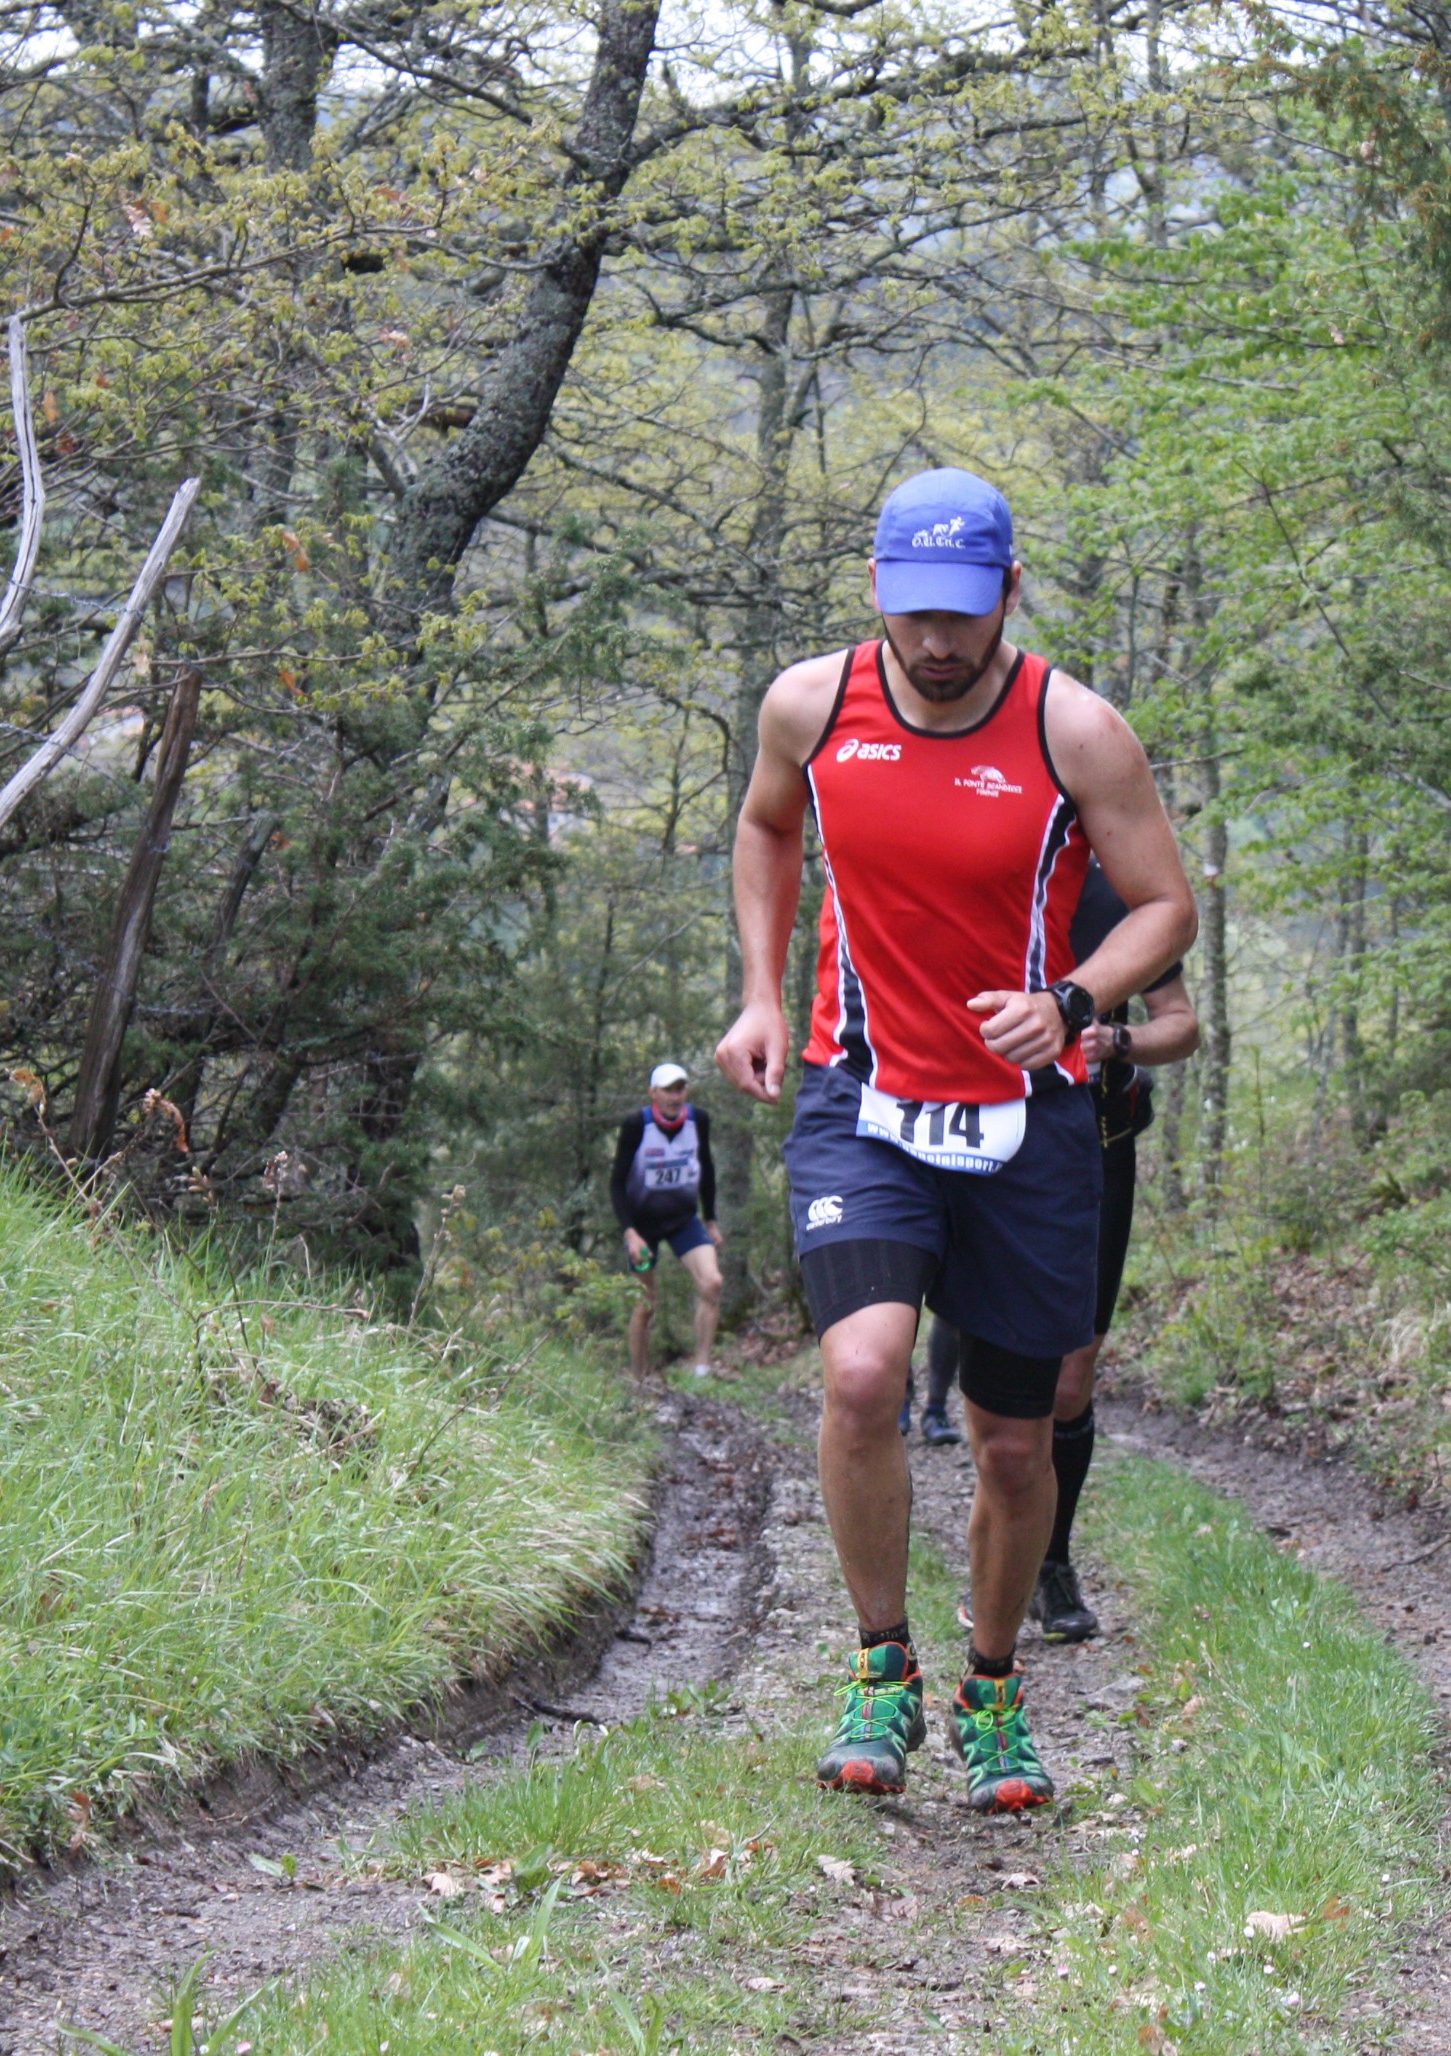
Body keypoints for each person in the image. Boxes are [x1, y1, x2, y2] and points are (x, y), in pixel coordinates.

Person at [715, 467, 1194, 1814]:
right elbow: (764, 828)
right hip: (860, 1095)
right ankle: (881, 1669)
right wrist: (762, 990)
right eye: (916, 613)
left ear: (1008, 598)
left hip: (1027, 1122)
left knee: (1013, 1442)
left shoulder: (1077, 732)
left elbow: (1165, 908)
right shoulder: (810, 705)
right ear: (877, 590)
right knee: (864, 1377)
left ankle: (992, 1687)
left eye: (963, 616)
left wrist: (1073, 1001)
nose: (938, 642)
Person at [917, 858, 1200, 1645]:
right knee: (998, 1386)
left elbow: (1183, 1024)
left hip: (1098, 1148)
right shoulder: (973, 861)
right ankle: (994, 1574)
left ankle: (1050, 1563)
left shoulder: (1118, 892)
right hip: (973, 1141)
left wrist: (1118, 1038)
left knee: (1070, 1381)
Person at [610, 1062, 723, 1383]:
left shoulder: (698, 1120)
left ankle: (701, 1367)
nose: (675, 1096)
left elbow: (706, 1167)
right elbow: (617, 1183)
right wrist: (630, 1234)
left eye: (680, 1088)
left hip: (683, 1220)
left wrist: (711, 1219)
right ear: (653, 1093)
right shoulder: (636, 1125)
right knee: (646, 1302)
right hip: (642, 1226)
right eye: (668, 1090)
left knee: (712, 1282)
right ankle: (639, 1377)